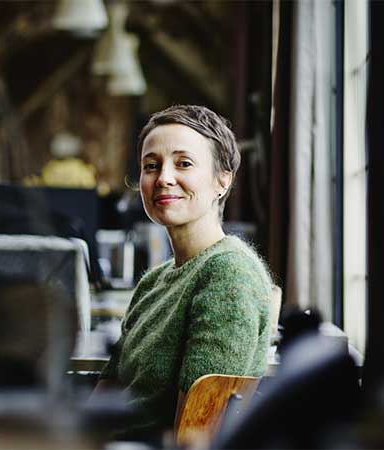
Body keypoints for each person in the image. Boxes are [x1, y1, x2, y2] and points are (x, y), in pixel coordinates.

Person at [94, 104, 273, 443]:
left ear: (223, 180)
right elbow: (108, 391)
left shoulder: (228, 273)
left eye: (184, 163)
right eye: (151, 166)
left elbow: (197, 431)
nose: (163, 178)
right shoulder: (154, 281)